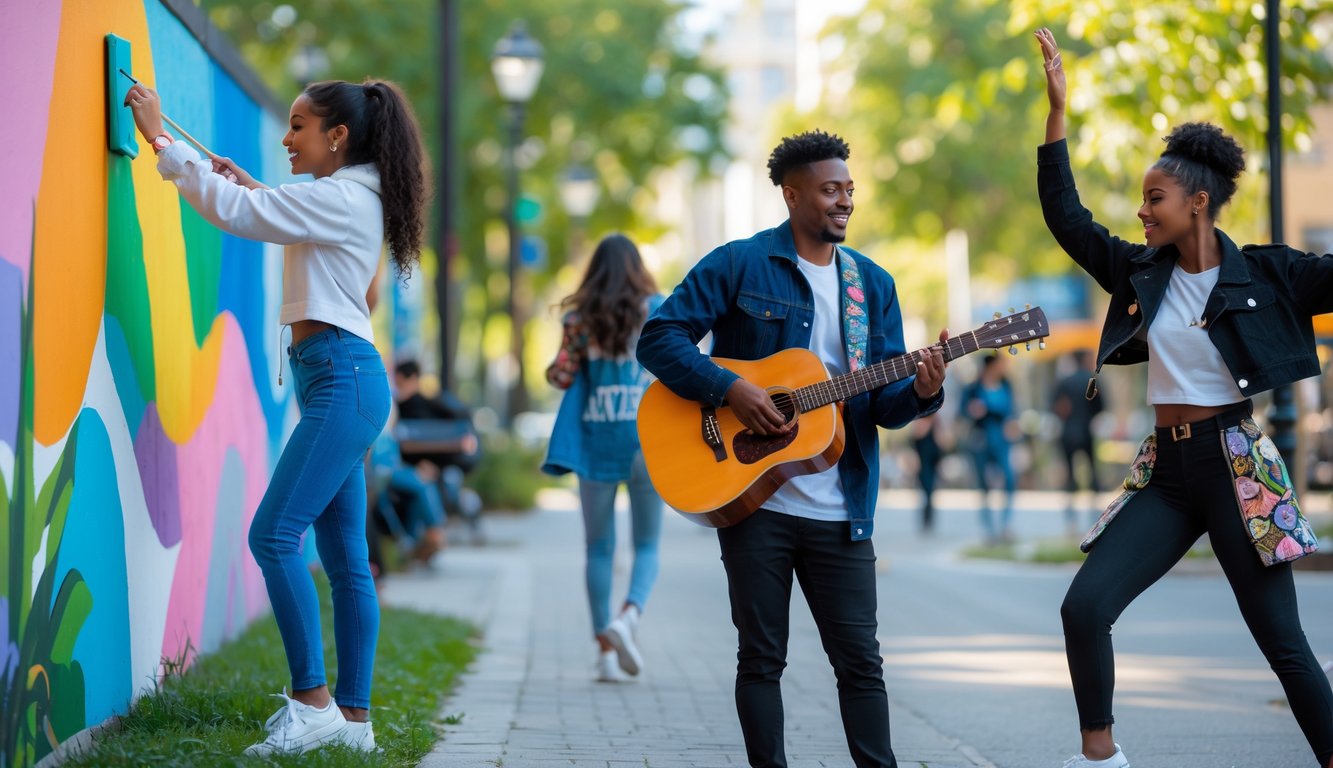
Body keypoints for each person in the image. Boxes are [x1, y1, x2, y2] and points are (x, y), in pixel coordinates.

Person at [1035, 28, 1333, 768]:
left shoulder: (1269, 274)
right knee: (1083, 608)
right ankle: (1099, 758)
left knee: (1284, 646)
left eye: (1154, 198)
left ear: (1197, 203)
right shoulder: (1140, 272)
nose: (1141, 211)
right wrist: (1057, 114)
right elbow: (1066, 218)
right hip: (1165, 475)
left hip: (1235, 470)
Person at [126, 76, 429, 755]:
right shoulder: (353, 197)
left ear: (338, 136)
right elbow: (278, 215)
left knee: (273, 537)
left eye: (298, 126)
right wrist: (259, 191)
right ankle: (353, 723)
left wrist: (159, 138)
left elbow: (234, 214)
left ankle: (313, 700)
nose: (287, 139)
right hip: (341, 381)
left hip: (341, 381)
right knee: (345, 558)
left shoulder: (345, 197)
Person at [637, 130, 947, 768]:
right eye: (831, 190)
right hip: (755, 501)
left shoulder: (873, 285)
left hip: (842, 506)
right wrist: (732, 387)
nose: (844, 202)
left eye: (850, 191)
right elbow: (659, 338)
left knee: (862, 664)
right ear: (792, 193)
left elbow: (881, 408)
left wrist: (921, 391)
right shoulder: (739, 263)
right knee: (761, 659)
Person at [541, 234, 666, 683]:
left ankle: (605, 653)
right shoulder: (658, 308)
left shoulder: (580, 317)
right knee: (647, 544)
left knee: (598, 548)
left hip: (597, 438)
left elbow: (561, 376)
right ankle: (628, 617)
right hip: (648, 441)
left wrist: (559, 361)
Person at [961, 354, 1017, 543]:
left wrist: (1013, 424)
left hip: (1002, 438)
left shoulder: (1007, 385)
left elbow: (1011, 410)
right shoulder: (974, 388)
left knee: (1009, 479)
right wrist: (972, 411)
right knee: (983, 484)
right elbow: (963, 411)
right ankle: (989, 529)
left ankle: (1006, 525)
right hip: (981, 438)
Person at [1052, 349, 1104, 533]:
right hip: (1086, 431)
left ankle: (1070, 520)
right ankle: (1095, 516)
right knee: (1092, 473)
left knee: (1069, 475)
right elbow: (1100, 407)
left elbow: (1054, 406)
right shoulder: (1091, 381)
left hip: (1067, 433)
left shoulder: (1064, 382)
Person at [909, 413, 944, 533]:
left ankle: (929, 520)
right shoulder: (921, 423)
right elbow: (916, 437)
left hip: (933, 462)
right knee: (926, 492)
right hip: (923, 464)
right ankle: (925, 520)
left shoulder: (937, 425)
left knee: (931, 493)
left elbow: (943, 444)